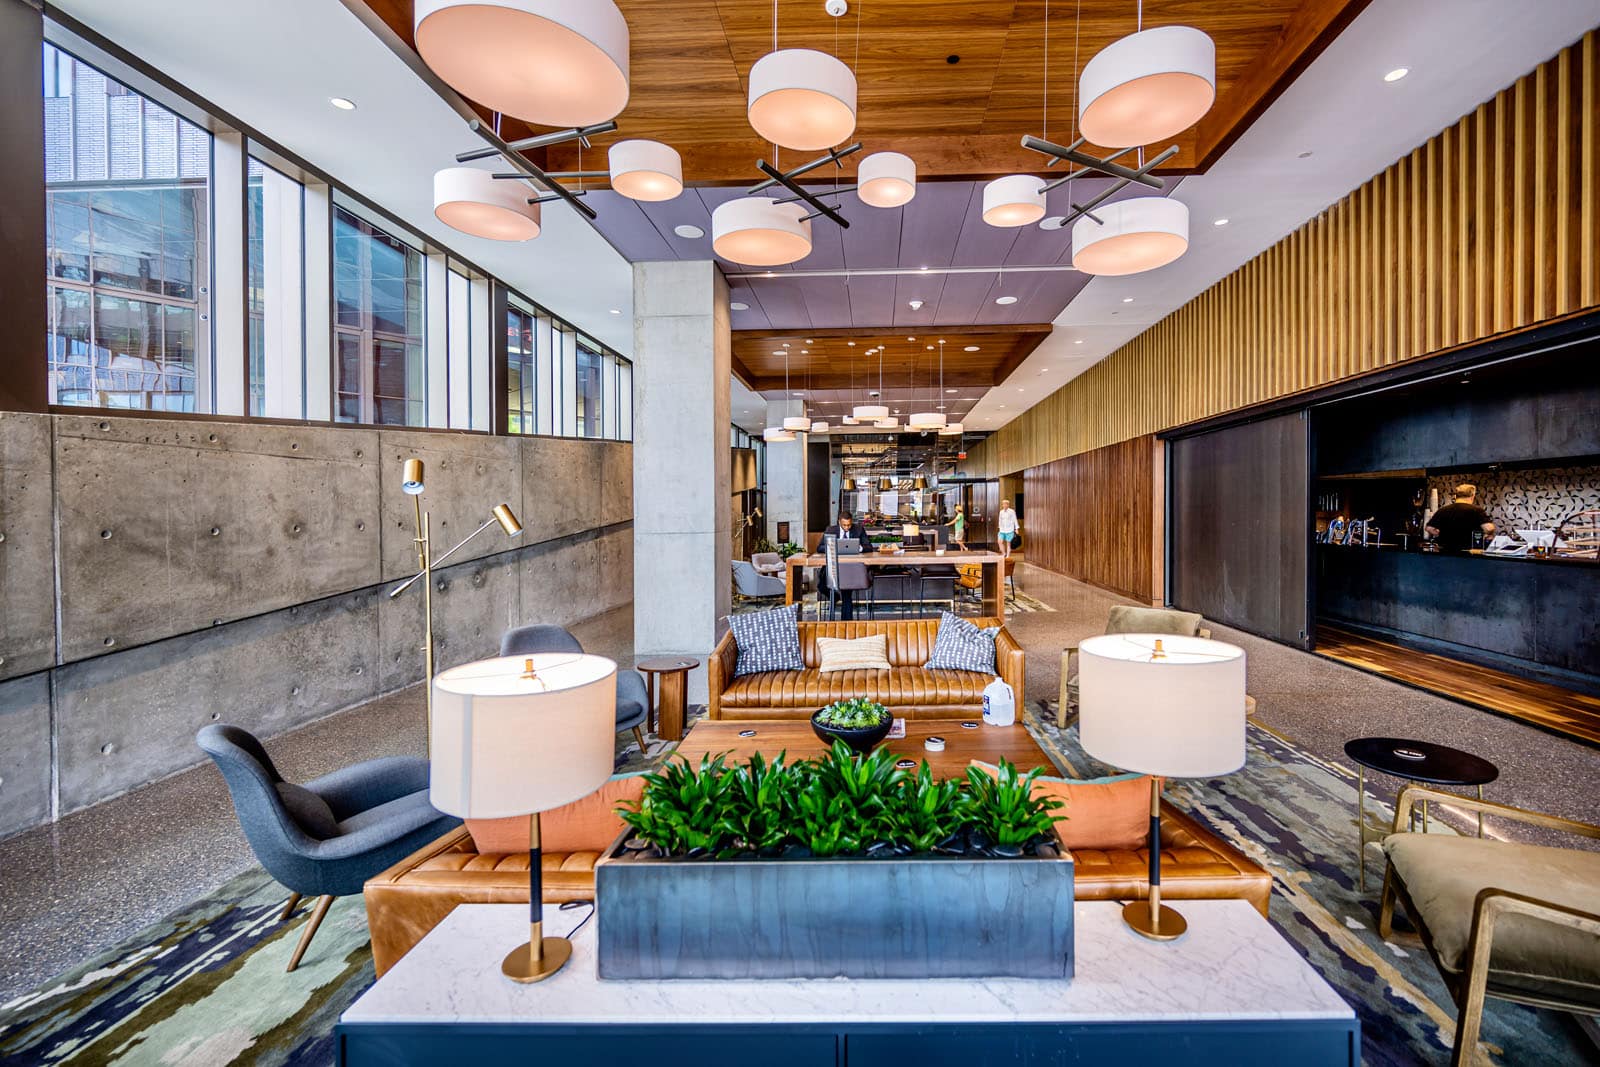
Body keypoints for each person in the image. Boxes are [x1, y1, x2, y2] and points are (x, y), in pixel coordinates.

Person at [821, 512, 871, 619]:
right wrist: (833, 547)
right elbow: (819, 548)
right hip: (834, 568)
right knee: (822, 584)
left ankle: (846, 623)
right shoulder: (830, 530)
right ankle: (836, 598)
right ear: (839, 522)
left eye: (849, 525)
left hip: (851, 569)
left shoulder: (858, 529)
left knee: (847, 592)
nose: (847, 527)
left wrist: (860, 548)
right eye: (844, 525)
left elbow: (869, 547)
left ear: (851, 522)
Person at [1426, 484, 1495, 554]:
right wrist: (1487, 533)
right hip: (1469, 554)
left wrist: (1443, 534)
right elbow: (1488, 528)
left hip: (1446, 553)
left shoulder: (1443, 510)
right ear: (1472, 496)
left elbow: (1429, 528)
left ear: (1456, 496)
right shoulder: (1476, 510)